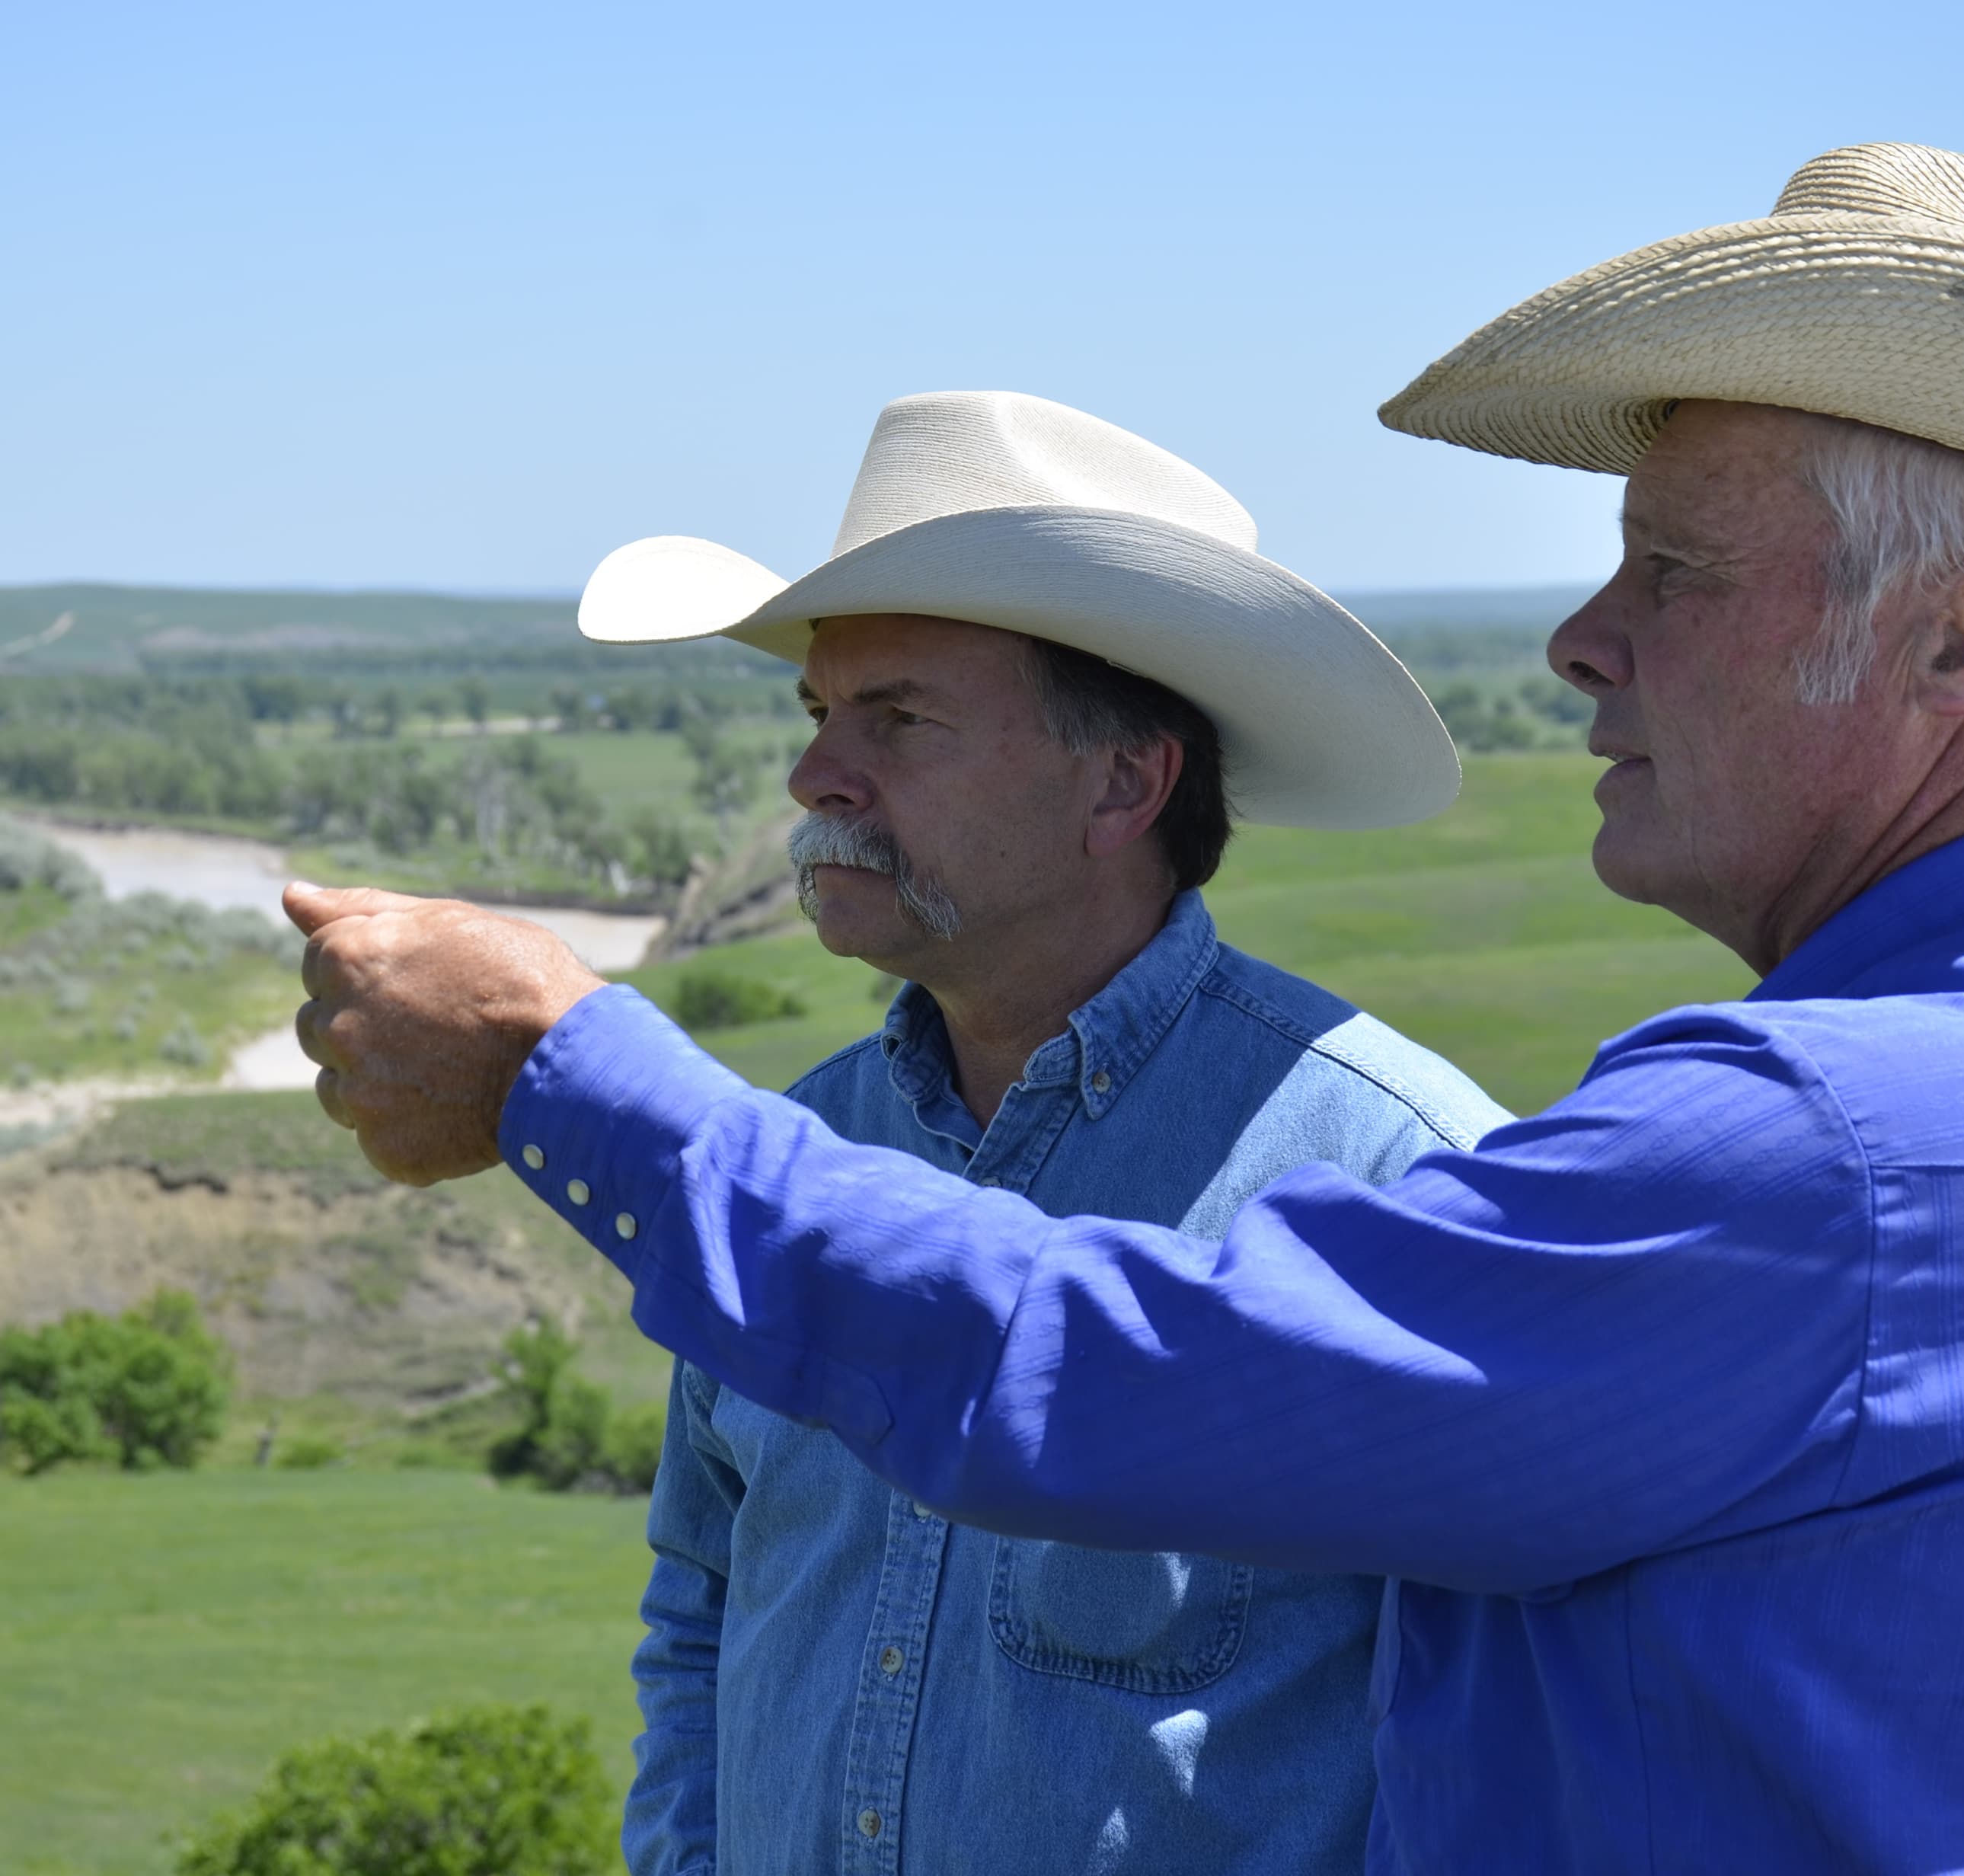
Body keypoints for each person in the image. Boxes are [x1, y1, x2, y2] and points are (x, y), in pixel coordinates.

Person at [290, 145, 1964, 1871]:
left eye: (1678, 575)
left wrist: (566, 1073)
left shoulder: (1818, 1155)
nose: (1582, 641)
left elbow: (1093, 1377)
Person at [586, 390, 1505, 1873]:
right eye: (822, 714)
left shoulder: (1394, 1176)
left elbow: (1485, 1742)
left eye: (900, 719)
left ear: (1125, 782)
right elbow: (703, 1595)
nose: (817, 777)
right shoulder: (791, 1149)